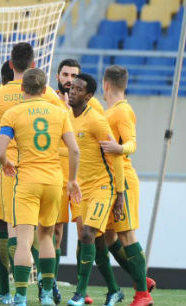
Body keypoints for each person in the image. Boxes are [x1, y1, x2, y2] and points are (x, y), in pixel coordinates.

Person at [0, 43, 65, 303]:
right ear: (34, 66)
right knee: (44, 234)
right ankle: (46, 286)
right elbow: (68, 136)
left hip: (10, 171)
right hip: (48, 172)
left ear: (9, 66)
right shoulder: (51, 99)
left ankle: (11, 291)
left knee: (10, 231)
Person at [0, 68, 81, 306]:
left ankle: (21, 296)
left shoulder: (13, 113)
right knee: (46, 237)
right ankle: (44, 296)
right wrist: (72, 180)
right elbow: (74, 149)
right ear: (45, 90)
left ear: (22, 89)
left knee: (23, 239)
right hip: (53, 181)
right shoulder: (60, 113)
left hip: (27, 180)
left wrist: (6, 163)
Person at [65, 73, 125, 306]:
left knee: (87, 234)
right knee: (96, 243)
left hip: (102, 186)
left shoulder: (97, 120)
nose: (72, 91)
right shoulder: (66, 117)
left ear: (89, 96)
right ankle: (114, 290)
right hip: (81, 188)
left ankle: (80, 293)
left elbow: (117, 156)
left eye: (78, 89)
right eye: (72, 88)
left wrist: (119, 194)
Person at [99, 65, 154, 306]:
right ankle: (141, 278)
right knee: (109, 236)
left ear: (106, 84)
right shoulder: (111, 111)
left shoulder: (122, 111)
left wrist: (120, 148)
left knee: (126, 234)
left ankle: (142, 294)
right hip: (110, 181)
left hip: (124, 182)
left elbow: (132, 143)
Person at [54, 59, 105, 305]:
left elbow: (101, 143)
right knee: (53, 231)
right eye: (66, 75)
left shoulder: (92, 107)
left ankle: (81, 288)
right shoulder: (50, 101)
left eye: (74, 76)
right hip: (54, 176)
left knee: (84, 233)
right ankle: (49, 284)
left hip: (81, 181)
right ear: (58, 76)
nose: (69, 80)